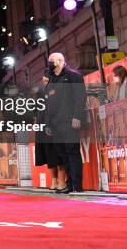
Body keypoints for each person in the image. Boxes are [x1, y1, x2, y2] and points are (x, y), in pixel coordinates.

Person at [44, 52, 87, 194]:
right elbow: (48, 103)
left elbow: (80, 97)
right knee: (62, 155)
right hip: (56, 124)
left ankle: (77, 186)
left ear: (60, 60)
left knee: (72, 152)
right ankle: (69, 184)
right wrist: (48, 123)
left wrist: (77, 116)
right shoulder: (52, 80)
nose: (49, 63)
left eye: (51, 61)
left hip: (69, 121)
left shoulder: (73, 75)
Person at [33, 73, 61, 190]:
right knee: (48, 153)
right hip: (42, 126)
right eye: (44, 81)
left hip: (55, 125)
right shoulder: (39, 94)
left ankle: (61, 180)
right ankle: (54, 180)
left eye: (47, 81)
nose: (45, 84)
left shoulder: (57, 91)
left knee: (58, 153)